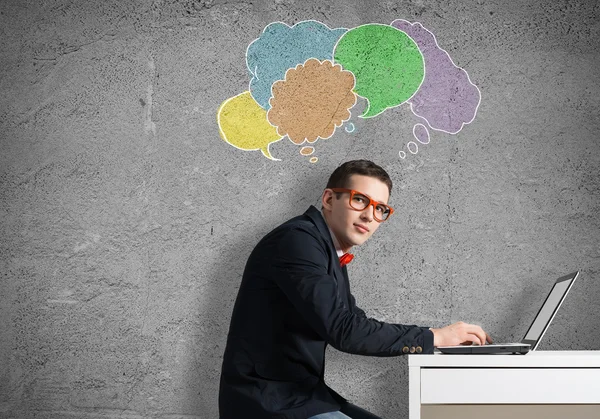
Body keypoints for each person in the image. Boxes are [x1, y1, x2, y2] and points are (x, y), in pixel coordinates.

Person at [219, 160, 491, 418]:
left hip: (303, 396)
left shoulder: (326, 249)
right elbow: (344, 330)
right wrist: (434, 337)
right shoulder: (297, 241)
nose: (369, 215)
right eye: (359, 199)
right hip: (267, 402)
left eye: (380, 208)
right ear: (328, 199)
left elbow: (355, 322)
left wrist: (440, 338)